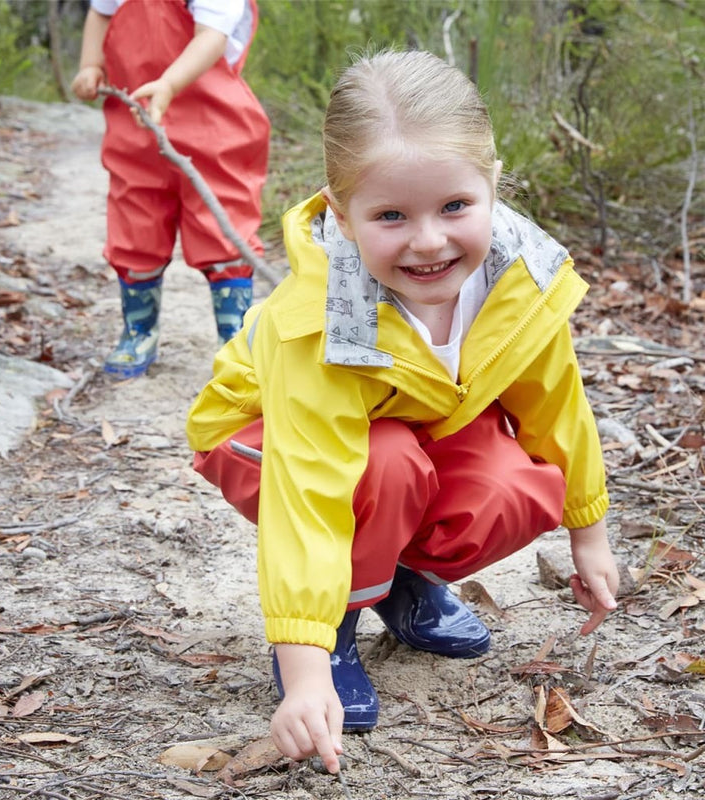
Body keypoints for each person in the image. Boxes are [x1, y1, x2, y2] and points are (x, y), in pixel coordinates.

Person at [186, 49, 619, 774]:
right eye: (391, 215)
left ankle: (399, 577)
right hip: (268, 440)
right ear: (341, 210)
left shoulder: (522, 277)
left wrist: (590, 535)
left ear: (492, 183)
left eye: (455, 206)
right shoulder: (319, 321)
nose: (428, 240)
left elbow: (556, 406)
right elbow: (309, 494)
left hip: (419, 423)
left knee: (513, 483)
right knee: (381, 462)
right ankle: (340, 629)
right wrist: (305, 670)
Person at [71, 0, 270, 378]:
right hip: (138, 124)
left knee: (222, 229)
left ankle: (237, 343)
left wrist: (170, 82)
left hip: (214, 127)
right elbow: (100, 12)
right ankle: (138, 331)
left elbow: (211, 36)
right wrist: (90, 64)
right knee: (135, 224)